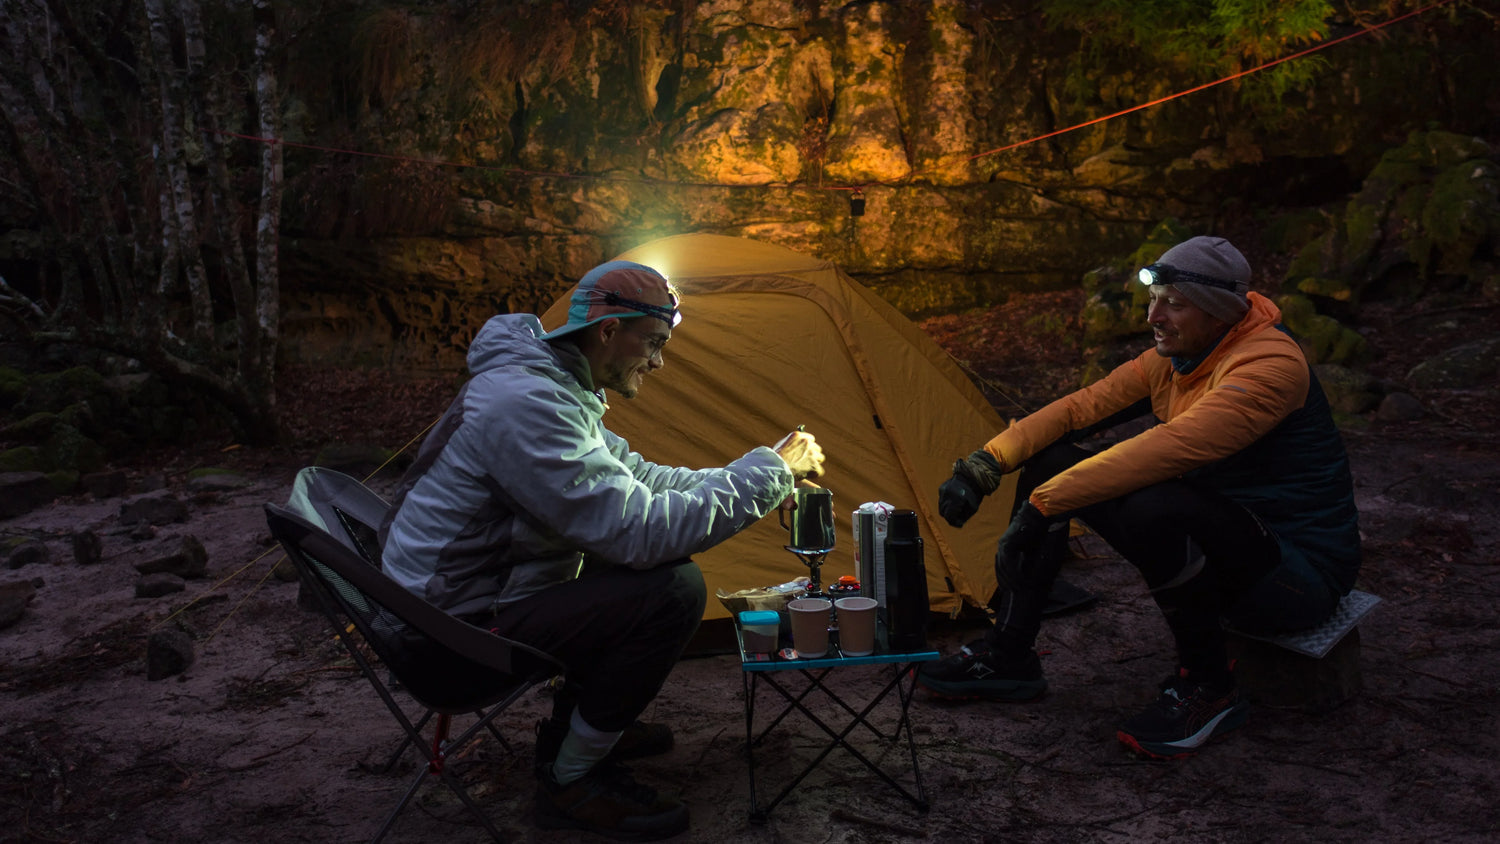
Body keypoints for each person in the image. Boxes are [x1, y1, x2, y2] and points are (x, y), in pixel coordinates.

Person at [379, 259, 825, 840]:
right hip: (449, 641)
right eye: (655, 342)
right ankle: (572, 778)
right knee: (671, 587)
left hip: (462, 606)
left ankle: (582, 724)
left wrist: (770, 475)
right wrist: (769, 471)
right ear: (610, 331)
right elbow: (638, 530)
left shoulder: (551, 388)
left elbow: (640, 481)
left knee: (638, 560)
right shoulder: (526, 404)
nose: (660, 361)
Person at [919, 236, 1361, 760]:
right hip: (1233, 550)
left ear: (1218, 311)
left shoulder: (1270, 366)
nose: (1155, 316)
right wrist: (985, 463)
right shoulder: (1184, 354)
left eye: (1174, 303)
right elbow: (1079, 409)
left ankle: (1209, 686)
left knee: (1155, 503)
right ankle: (1010, 656)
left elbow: (1167, 448)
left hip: (1296, 575)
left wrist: (1042, 508)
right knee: (1051, 462)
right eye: (1154, 300)